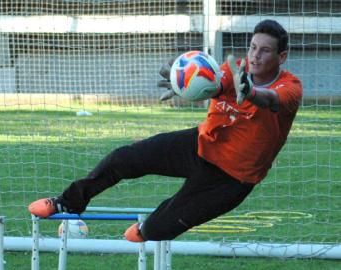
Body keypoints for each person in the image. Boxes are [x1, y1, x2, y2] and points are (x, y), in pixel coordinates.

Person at [28, 19, 302, 242]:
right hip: (200, 144)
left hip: (231, 177)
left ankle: (151, 228)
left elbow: (271, 100)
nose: (255, 55)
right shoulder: (234, 70)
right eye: (253, 47)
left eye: (264, 50)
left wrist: (251, 92)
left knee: (155, 229)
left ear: (282, 56)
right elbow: (214, 84)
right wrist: (183, 83)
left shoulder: (290, 88)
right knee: (123, 158)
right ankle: (69, 202)